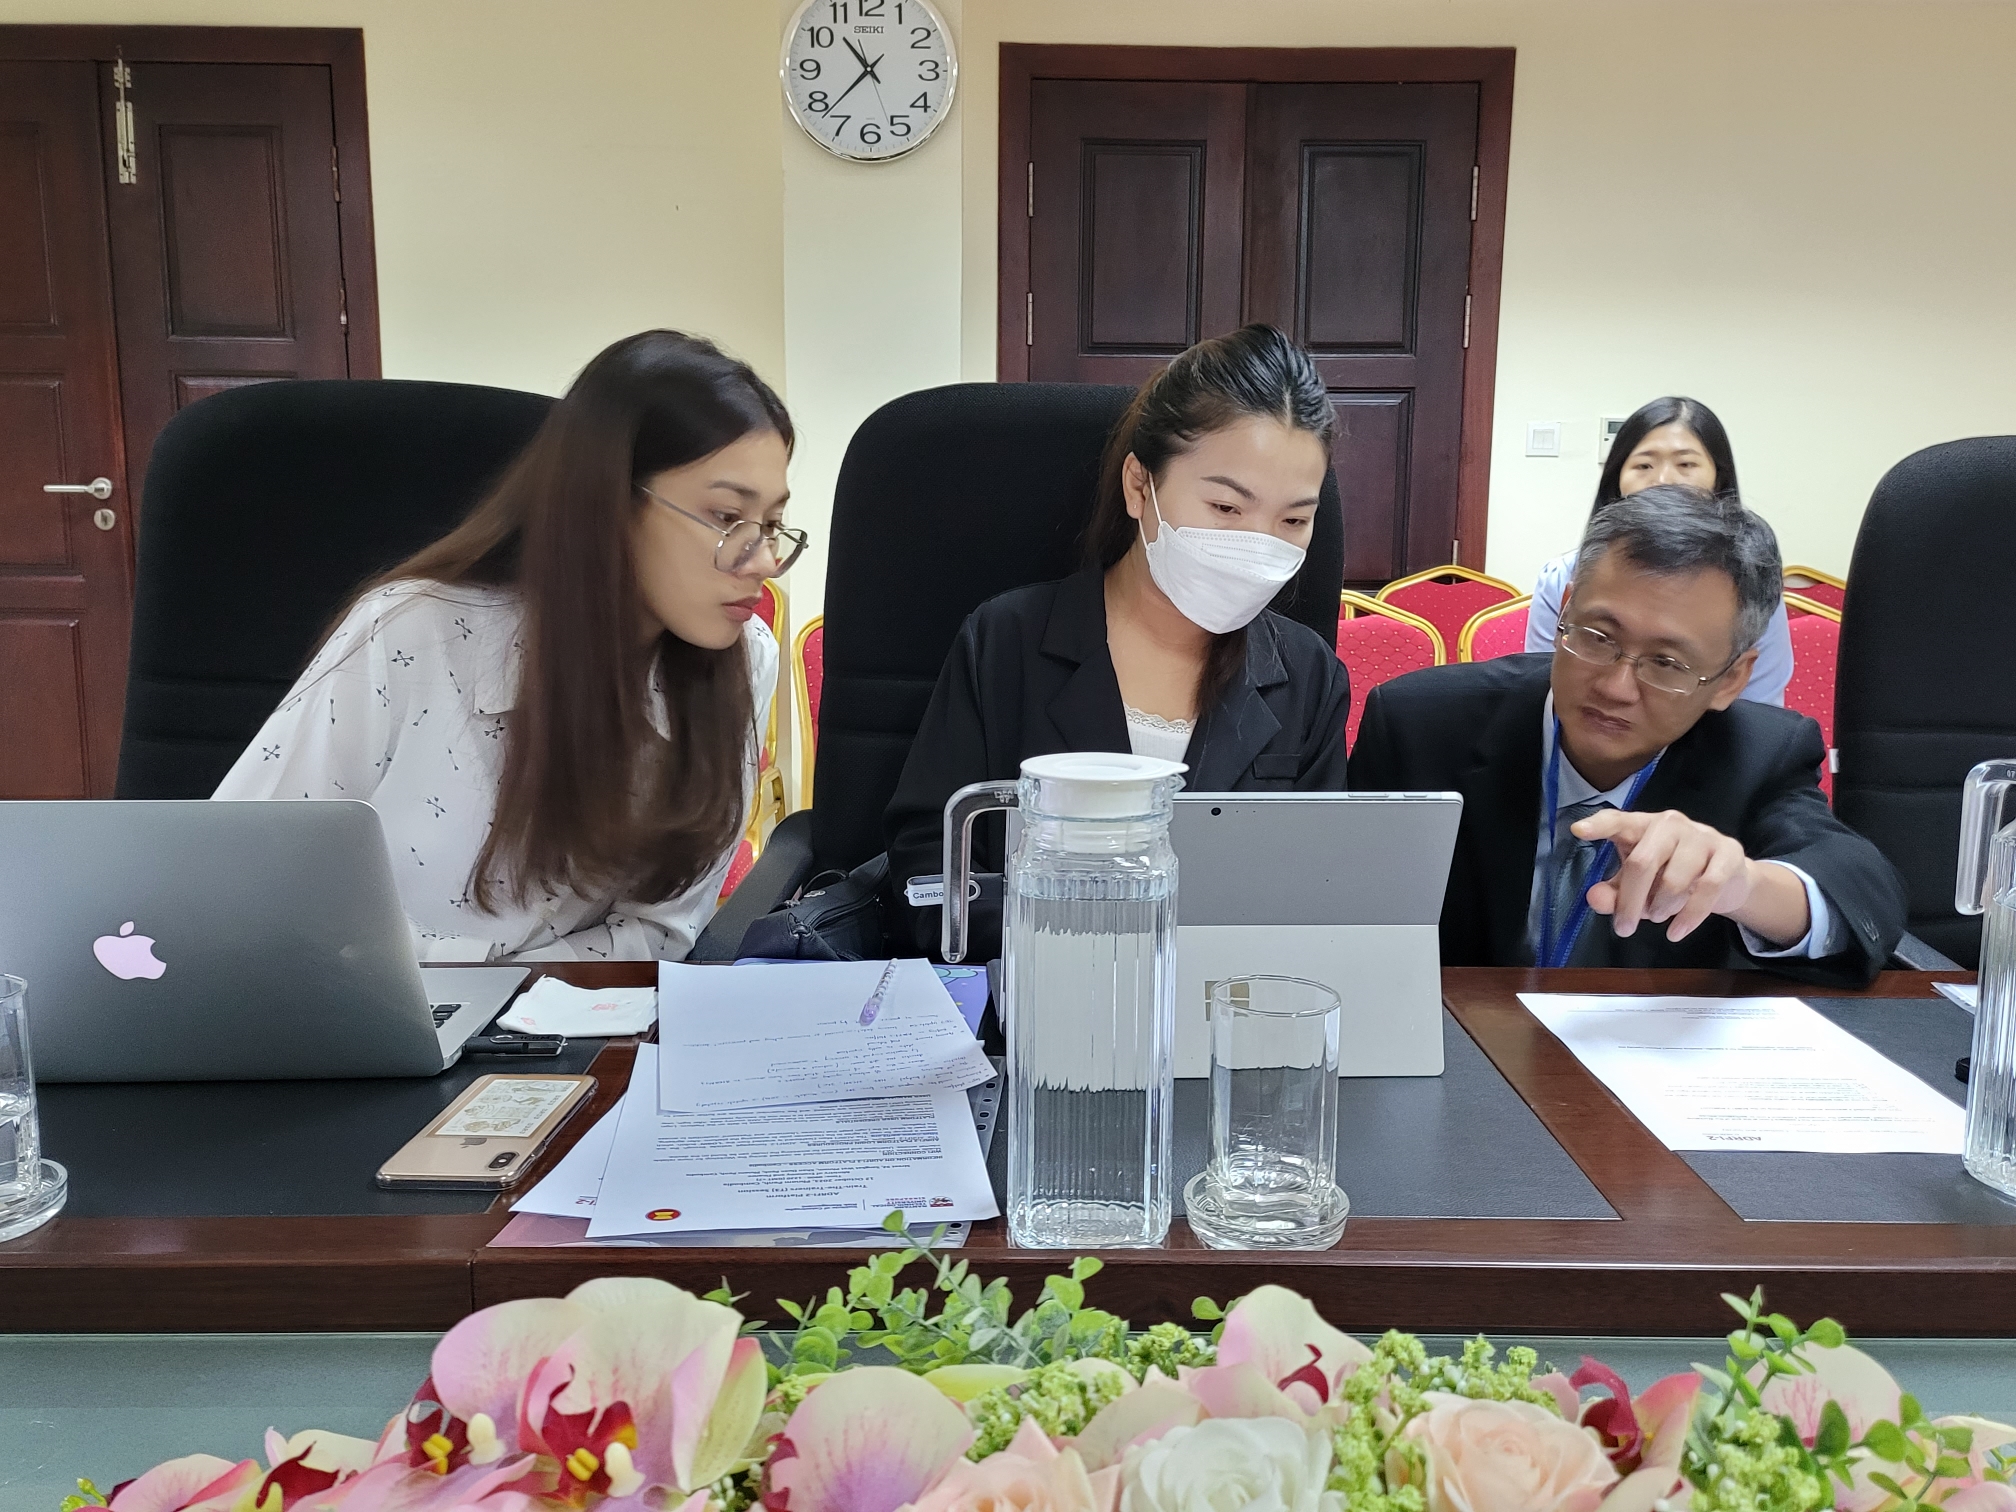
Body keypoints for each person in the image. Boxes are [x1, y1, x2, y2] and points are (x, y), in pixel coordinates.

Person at [216, 330, 800, 962]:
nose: (765, 560)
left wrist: (514, 1002)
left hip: (567, 1011)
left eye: (772, 524)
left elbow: (662, 932)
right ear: (608, 504)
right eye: (726, 518)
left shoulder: (744, 659)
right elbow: (236, 878)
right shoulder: (410, 631)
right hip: (361, 1000)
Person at [884, 324, 1352, 949]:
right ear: (1139, 486)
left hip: (1229, 1001)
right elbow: (926, 875)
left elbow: (1321, 896)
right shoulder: (1005, 643)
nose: (1257, 546)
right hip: (1029, 988)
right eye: (1225, 509)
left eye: (1293, 520)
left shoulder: (1308, 674)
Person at [1350, 484, 1903, 984]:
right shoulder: (1418, 724)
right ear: (1565, 609)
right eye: (1597, 636)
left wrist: (1744, 886)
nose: (1615, 687)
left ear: (1731, 680)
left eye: (1666, 663)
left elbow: (1862, 890)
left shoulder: (1759, 754)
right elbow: (1342, 916)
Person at [1524, 396, 1795, 706]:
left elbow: (1760, 706)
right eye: (1644, 465)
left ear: (1718, 479)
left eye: (1686, 465)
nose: (1664, 481)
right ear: (1618, 479)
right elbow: (1545, 687)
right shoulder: (1561, 577)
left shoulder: (1750, 589)